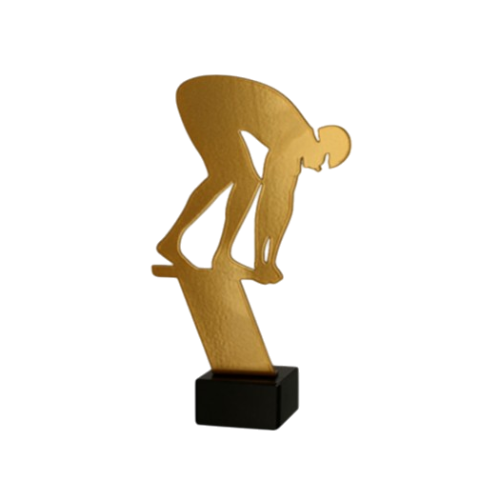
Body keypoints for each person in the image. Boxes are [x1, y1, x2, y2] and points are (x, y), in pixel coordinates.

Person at [155, 75, 352, 285]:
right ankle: (208, 252)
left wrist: (266, 262)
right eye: (324, 160)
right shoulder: (294, 145)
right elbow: (272, 208)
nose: (319, 169)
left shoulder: (295, 136)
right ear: (320, 141)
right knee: (242, 179)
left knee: (236, 178)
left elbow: (277, 208)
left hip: (205, 100)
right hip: (202, 100)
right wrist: (264, 264)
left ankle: (194, 248)